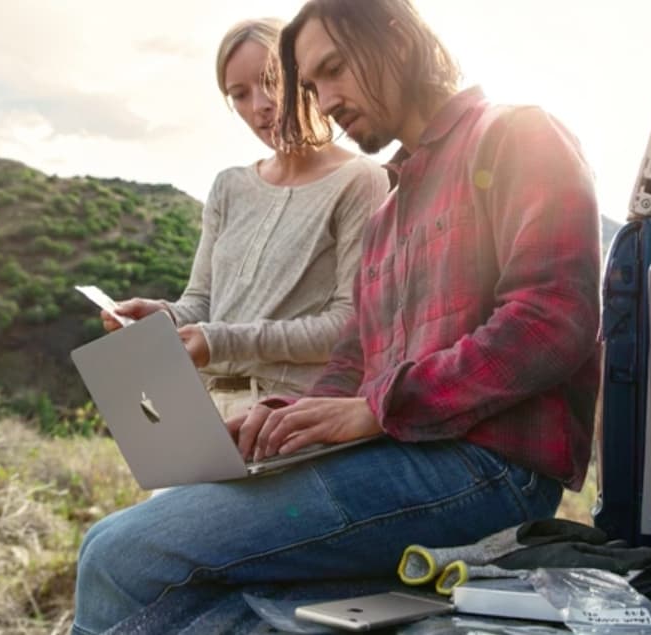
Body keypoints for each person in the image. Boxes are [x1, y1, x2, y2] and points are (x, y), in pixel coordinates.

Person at [71, 2, 600, 633]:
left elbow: (551, 320)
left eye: (334, 69)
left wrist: (377, 408)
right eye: (312, 86)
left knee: (116, 554)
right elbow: (355, 356)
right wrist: (291, 418)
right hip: (402, 453)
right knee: (184, 601)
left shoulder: (516, 133)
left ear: (398, 41)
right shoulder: (389, 210)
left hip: (487, 468)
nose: (323, 102)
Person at [101, 17, 389, 422]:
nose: (259, 106)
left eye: (270, 80)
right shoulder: (228, 187)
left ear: (301, 75)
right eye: (239, 94)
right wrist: (166, 316)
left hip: (287, 410)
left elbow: (347, 327)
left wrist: (219, 342)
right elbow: (202, 303)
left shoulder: (360, 181)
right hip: (200, 406)